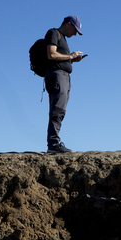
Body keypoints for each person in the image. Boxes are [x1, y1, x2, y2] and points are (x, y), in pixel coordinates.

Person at [44, 15, 86, 153]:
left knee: (60, 110)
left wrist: (72, 61)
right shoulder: (54, 33)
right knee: (57, 109)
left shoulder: (63, 38)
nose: (75, 34)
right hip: (57, 76)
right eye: (75, 30)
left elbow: (58, 58)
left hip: (63, 76)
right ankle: (54, 144)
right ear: (68, 24)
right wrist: (70, 56)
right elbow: (51, 55)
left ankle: (54, 142)